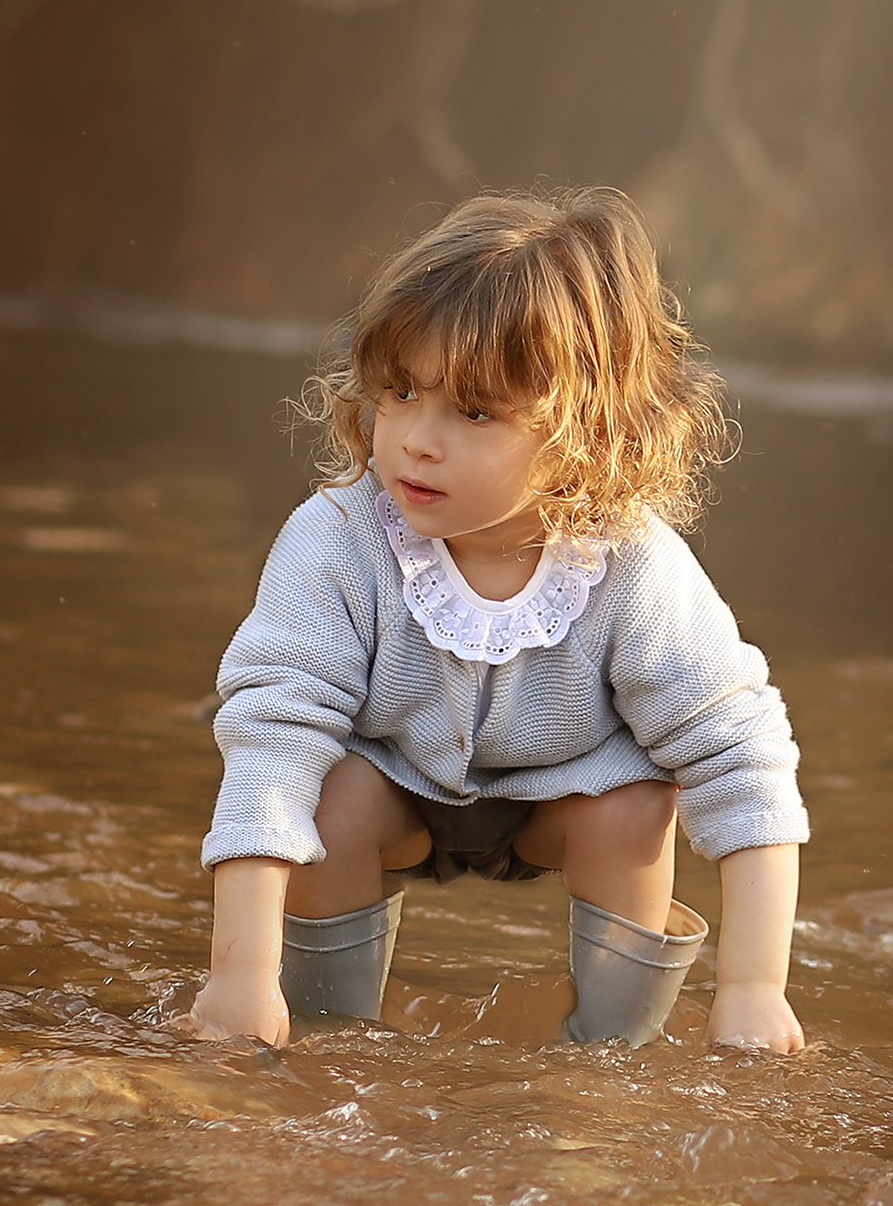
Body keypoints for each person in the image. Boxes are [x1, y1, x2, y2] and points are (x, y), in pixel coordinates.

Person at [188, 188, 809, 1051]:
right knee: (329, 791)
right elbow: (270, 740)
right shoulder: (337, 540)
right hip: (391, 793)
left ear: (588, 438)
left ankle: (610, 1058)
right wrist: (239, 980)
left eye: (474, 412)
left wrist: (752, 991)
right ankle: (326, 1037)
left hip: (562, 800)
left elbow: (742, 758)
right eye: (400, 393)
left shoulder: (629, 563)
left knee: (639, 800)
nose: (416, 440)